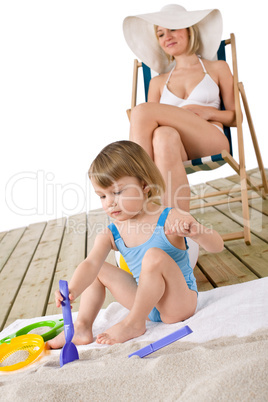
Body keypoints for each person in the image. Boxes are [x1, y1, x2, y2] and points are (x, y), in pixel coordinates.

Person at [48, 141, 223, 348]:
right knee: (98, 269)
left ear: (144, 185)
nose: (109, 202)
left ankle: (134, 322)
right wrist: (73, 289)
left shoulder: (169, 217)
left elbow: (217, 246)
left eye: (118, 192)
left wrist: (198, 232)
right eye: (102, 196)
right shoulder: (111, 233)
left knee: (153, 256)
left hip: (178, 303)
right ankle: (82, 327)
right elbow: (91, 263)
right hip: (146, 303)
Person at [123, 5, 236, 211]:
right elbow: (149, 130)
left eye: (173, 29)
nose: (167, 36)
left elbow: (236, 117)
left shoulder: (217, 68)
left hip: (210, 139)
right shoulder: (158, 82)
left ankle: (134, 194)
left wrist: (208, 112)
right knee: (163, 135)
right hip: (176, 150)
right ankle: (177, 229)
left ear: (189, 30)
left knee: (141, 111)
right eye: (160, 33)